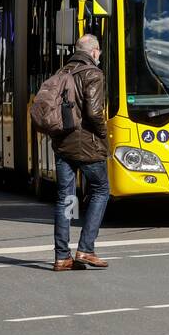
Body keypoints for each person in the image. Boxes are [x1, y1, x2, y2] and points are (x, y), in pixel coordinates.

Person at [52, 34, 111, 272]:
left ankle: (62, 256)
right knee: (100, 191)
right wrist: (104, 135)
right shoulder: (93, 74)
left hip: (63, 144)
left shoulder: (61, 72)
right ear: (94, 52)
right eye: (98, 52)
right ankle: (86, 248)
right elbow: (95, 112)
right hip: (87, 145)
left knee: (67, 198)